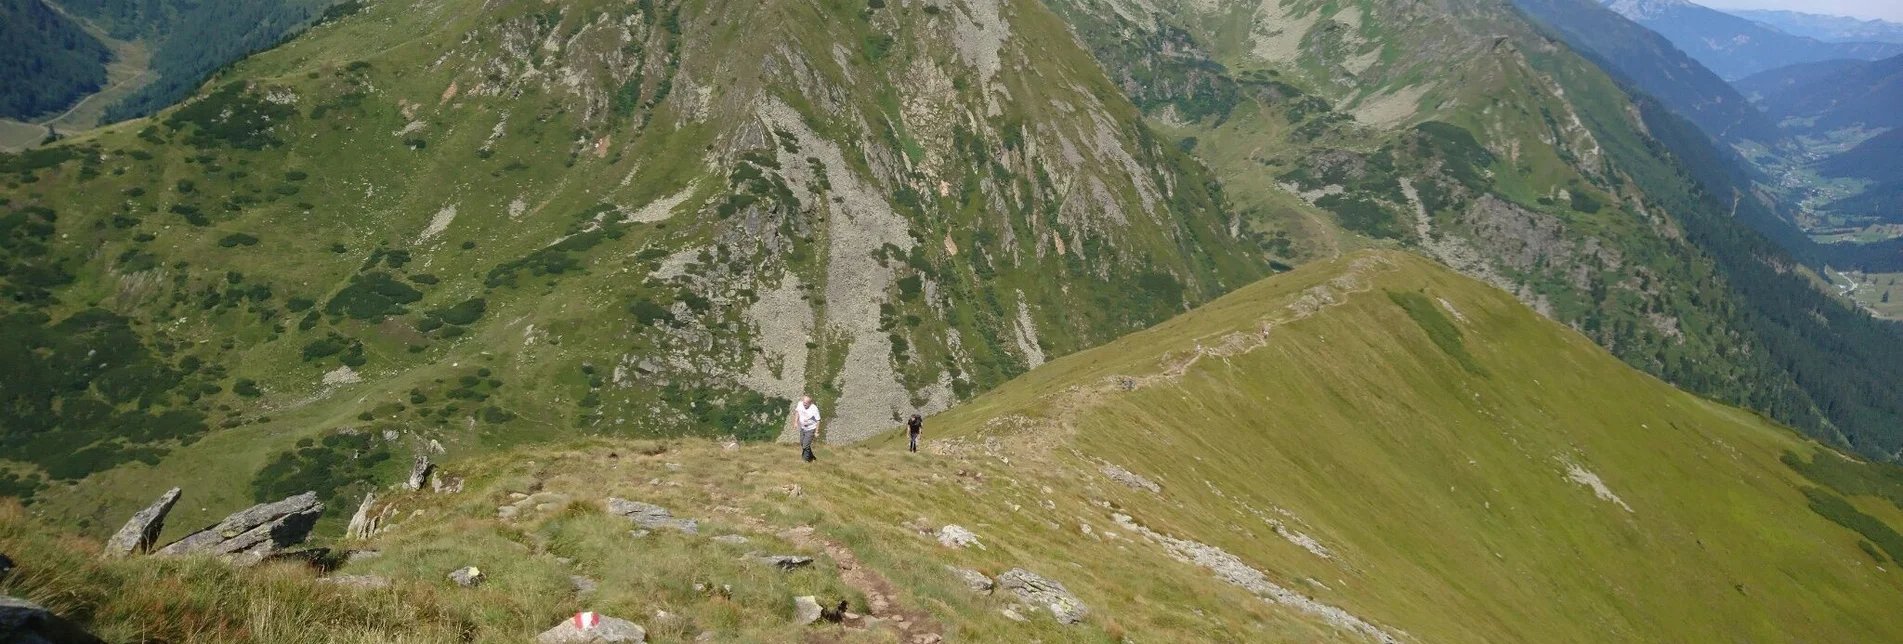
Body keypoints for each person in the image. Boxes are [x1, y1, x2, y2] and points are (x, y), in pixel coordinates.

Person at [796, 396, 822, 463]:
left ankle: (805, 460)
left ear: (810, 403)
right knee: (802, 443)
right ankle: (811, 457)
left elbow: (818, 420)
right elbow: (797, 412)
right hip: (803, 428)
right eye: (803, 402)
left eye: (806, 403)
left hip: (810, 429)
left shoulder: (814, 409)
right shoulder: (800, 404)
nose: (804, 404)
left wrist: (816, 431)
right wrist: (795, 422)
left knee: (805, 445)